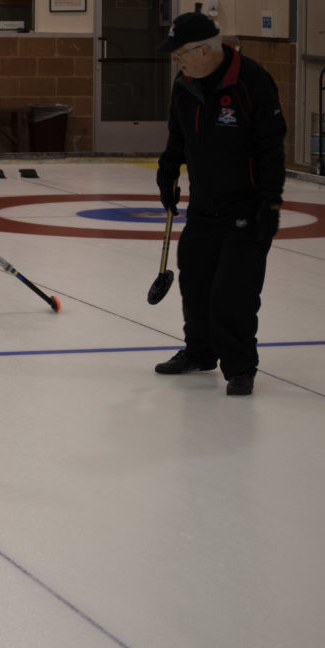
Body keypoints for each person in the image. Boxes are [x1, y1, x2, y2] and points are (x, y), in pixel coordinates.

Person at [153, 10, 286, 396]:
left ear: (204, 50)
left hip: (247, 209)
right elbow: (177, 135)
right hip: (204, 206)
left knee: (234, 292)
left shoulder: (252, 81)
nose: (176, 61)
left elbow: (271, 149)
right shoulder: (185, 84)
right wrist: (167, 173)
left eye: (180, 53)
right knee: (195, 281)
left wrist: (270, 205)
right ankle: (200, 353)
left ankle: (240, 367)